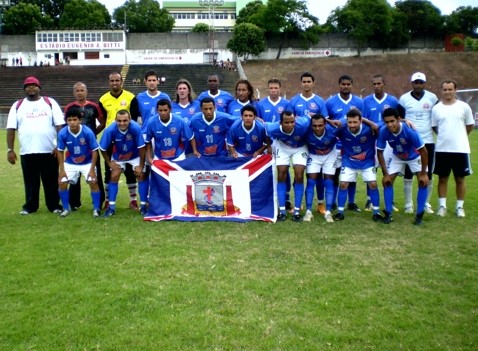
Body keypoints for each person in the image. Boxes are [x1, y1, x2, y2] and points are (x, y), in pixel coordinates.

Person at [6, 76, 64, 215]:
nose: (31, 88)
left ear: (39, 88)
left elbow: (59, 126)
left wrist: (59, 146)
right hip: (27, 151)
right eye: (28, 86)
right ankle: (30, 207)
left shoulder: (50, 103)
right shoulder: (18, 105)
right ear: (24, 89)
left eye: (34, 85)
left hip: (49, 151)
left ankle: (54, 205)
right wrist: (10, 150)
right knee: (31, 182)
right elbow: (10, 128)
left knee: (51, 181)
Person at [376, 108, 429, 225]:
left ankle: (419, 215)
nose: (390, 125)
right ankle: (388, 214)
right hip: (397, 156)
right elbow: (380, 152)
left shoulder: (410, 131)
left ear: (399, 119)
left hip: (414, 156)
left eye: (392, 121)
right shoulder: (384, 131)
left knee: (423, 182)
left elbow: (424, 152)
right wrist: (385, 175)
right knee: (387, 181)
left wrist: (424, 174)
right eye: (387, 122)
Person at [431, 79, 474, 218]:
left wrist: (460, 136)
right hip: (442, 149)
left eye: (450, 89)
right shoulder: (437, 108)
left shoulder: (464, 107)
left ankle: (459, 207)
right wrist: (445, 137)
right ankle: (442, 206)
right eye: (445, 89)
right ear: (441, 91)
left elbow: (470, 125)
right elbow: (434, 126)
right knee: (442, 178)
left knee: (460, 179)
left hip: (460, 149)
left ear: (455, 90)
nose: (447, 92)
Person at [288, 72, 329, 215]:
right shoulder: (293, 101)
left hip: (313, 143)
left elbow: (324, 121)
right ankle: (298, 203)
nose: (306, 84)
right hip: (299, 142)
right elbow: (289, 122)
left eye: (308, 81)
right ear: (301, 83)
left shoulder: (319, 101)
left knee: (316, 175)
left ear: (313, 83)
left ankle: (320, 204)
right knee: (298, 174)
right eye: (304, 81)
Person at [99, 72, 140, 210]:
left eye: (117, 80)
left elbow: (133, 118)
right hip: (111, 138)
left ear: (121, 81)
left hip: (128, 138)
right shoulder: (103, 99)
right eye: (112, 81)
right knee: (110, 170)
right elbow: (103, 120)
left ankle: (133, 200)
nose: (115, 83)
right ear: (109, 82)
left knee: (130, 170)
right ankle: (107, 200)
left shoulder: (130, 97)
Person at [398, 72, 438, 214]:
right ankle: (409, 204)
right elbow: (399, 118)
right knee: (409, 173)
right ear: (412, 83)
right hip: (410, 141)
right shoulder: (404, 99)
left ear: (424, 83)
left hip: (428, 140)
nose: (418, 85)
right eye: (416, 82)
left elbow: (437, 116)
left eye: (421, 82)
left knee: (428, 173)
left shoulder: (432, 98)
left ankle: (426, 203)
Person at [333, 109, 383, 222]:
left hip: (367, 161)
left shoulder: (369, 129)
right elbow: (333, 126)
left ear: (361, 121)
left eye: (355, 122)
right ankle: (340, 212)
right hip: (349, 160)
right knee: (343, 184)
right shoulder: (343, 130)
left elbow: (377, 127)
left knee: (373, 184)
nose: (352, 125)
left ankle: (376, 212)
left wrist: (364, 120)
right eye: (349, 122)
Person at [64, 82, 106, 210]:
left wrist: (92, 135)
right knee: (74, 175)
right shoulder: (69, 107)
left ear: (86, 92)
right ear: (74, 92)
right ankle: (74, 202)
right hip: (75, 146)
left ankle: (98, 202)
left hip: (91, 147)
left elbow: (102, 122)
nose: (80, 92)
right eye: (77, 90)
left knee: (95, 174)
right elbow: (67, 126)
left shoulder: (93, 106)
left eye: (82, 90)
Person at [326, 75, 365, 212]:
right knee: (336, 173)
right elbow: (326, 122)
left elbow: (363, 121)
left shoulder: (359, 102)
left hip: (352, 144)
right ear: (339, 85)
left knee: (352, 174)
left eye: (348, 84)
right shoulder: (330, 102)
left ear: (352, 85)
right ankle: (335, 201)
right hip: (336, 144)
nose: (345, 86)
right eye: (343, 84)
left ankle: (352, 202)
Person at [99, 110, 147, 217]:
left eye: (125, 120)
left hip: (135, 155)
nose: (122, 123)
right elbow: (102, 148)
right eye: (119, 121)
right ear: (115, 120)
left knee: (141, 175)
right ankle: (111, 207)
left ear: (130, 120)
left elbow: (142, 148)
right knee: (114, 175)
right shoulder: (110, 129)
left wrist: (140, 165)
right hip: (118, 156)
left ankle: (143, 206)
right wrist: (109, 162)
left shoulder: (135, 128)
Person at [363, 74, 399, 211]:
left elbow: (398, 118)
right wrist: (372, 124)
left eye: (379, 83)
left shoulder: (392, 100)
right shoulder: (366, 101)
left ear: (384, 84)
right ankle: (369, 200)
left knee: (389, 170)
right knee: (372, 169)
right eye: (374, 84)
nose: (377, 86)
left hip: (389, 140)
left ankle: (390, 200)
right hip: (371, 139)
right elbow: (361, 118)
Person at [57, 108, 102, 218]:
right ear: (66, 121)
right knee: (62, 182)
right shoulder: (62, 133)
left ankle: (96, 209)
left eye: (75, 119)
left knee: (93, 182)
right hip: (70, 163)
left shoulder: (87, 132)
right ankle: (66, 209)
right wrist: (62, 170)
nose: (72, 122)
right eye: (69, 120)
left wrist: (92, 170)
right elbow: (60, 151)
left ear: (80, 120)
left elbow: (95, 151)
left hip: (87, 163)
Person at [266, 110, 309, 222]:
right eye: (287, 123)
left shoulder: (303, 123)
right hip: (282, 147)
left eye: (292, 122)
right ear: (280, 123)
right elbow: (266, 131)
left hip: (300, 147)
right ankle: (282, 212)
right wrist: (269, 146)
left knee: (299, 175)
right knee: (281, 174)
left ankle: (297, 211)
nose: (290, 125)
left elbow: (311, 116)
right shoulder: (272, 128)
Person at [304, 114, 339, 223]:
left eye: (320, 125)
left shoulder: (333, 130)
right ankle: (308, 211)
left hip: (330, 156)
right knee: (310, 181)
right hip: (314, 156)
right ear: (311, 125)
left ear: (325, 124)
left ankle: (328, 212)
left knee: (329, 182)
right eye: (314, 126)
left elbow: (346, 121)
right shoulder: (306, 131)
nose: (317, 128)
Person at [137, 70, 171, 135]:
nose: (152, 83)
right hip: (145, 133)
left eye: (154, 80)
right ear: (145, 82)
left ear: (158, 81)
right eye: (149, 80)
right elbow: (137, 117)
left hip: (162, 133)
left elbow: (170, 115)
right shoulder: (140, 97)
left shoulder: (165, 97)